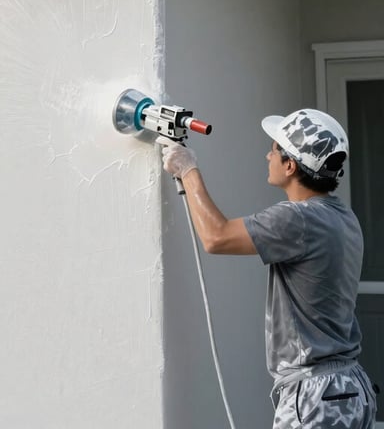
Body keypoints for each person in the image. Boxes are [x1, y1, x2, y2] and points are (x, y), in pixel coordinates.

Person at [158, 108, 377, 429]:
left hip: (316, 396)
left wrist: (188, 169)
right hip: (350, 388)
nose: (267, 155)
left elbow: (216, 237)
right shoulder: (342, 216)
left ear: (290, 165)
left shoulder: (299, 218)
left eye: (274, 150)